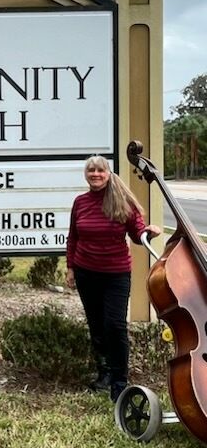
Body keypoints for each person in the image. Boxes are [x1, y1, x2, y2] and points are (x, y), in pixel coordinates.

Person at [65, 155, 161, 403]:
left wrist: (147, 232)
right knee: (96, 325)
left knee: (114, 326)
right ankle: (104, 374)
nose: (95, 174)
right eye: (91, 170)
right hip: (86, 272)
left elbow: (137, 231)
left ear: (108, 173)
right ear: (86, 174)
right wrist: (71, 269)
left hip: (115, 274)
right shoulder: (80, 202)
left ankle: (119, 381)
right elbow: (73, 237)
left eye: (100, 170)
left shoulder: (121, 200)